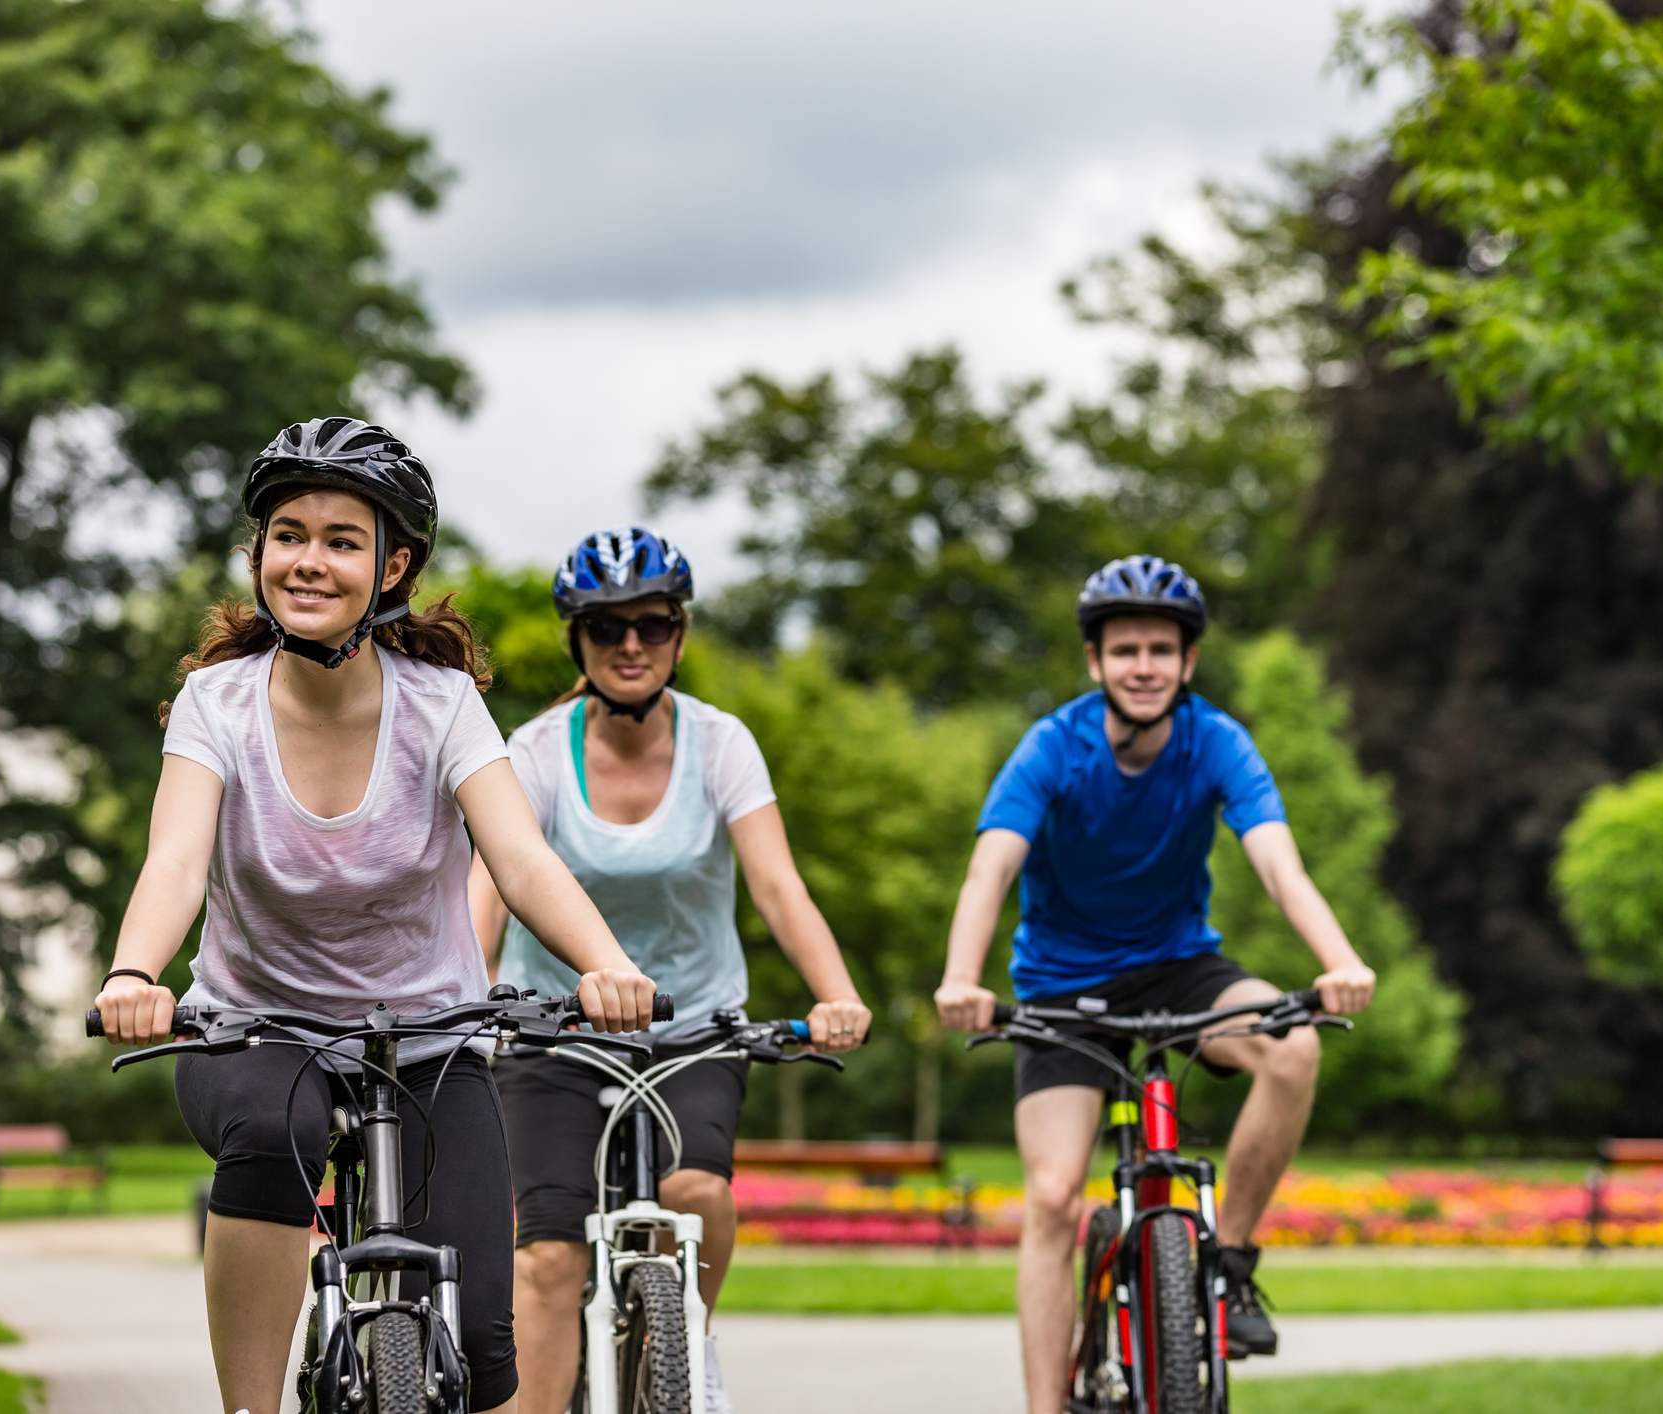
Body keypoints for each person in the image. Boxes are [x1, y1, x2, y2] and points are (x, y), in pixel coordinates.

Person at [92, 418, 657, 1414]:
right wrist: (136, 974)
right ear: (259, 551)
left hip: (430, 1039)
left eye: (341, 540)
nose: (308, 560)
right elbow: (176, 861)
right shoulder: (214, 703)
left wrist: (604, 963)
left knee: (483, 1347)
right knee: (275, 1132)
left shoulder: (439, 705)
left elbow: (520, 858)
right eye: (289, 533)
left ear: (392, 566)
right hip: (253, 1031)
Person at [932, 554, 1376, 1414]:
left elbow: (1279, 867)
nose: (1143, 665)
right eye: (1125, 649)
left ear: (1188, 663)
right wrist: (960, 978)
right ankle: (1042, 1408)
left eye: (1161, 650)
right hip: (1062, 988)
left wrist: (1340, 960)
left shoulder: (1216, 741)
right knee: (1055, 1195)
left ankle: (1232, 1263)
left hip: (1178, 967)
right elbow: (989, 871)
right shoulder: (1052, 748)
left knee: (1293, 1049)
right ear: (1095, 662)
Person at [472, 526, 872, 1414]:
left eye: (651, 626)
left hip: (693, 1028)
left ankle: (684, 1341)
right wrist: (466, 999)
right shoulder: (534, 751)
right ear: (577, 638)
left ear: (678, 637)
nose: (630, 645)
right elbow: (491, 886)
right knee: (547, 1254)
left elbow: (776, 884)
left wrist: (834, 993)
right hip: (554, 1030)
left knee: (697, 1193)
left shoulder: (721, 743)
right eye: (608, 626)